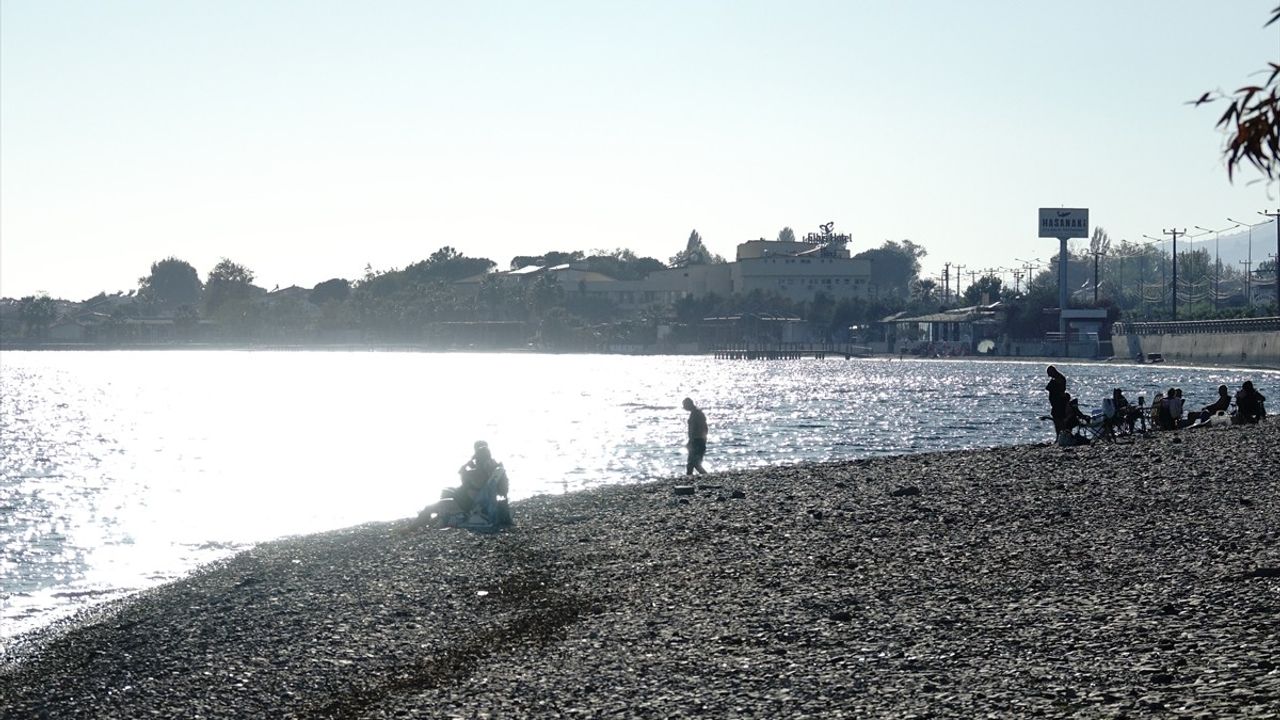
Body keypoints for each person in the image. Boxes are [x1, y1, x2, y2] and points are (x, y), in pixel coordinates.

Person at [682, 397, 708, 475]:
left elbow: (695, 429)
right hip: (699, 440)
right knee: (694, 463)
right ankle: (702, 476)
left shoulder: (695, 414)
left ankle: (704, 476)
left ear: (689, 404)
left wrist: (691, 441)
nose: (684, 407)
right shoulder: (697, 413)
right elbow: (705, 428)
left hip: (697, 441)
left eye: (684, 405)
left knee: (693, 463)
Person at [1045, 366, 1068, 434]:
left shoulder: (1059, 379)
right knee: (1057, 419)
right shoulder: (1055, 379)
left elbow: (1060, 390)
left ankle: (1062, 434)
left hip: (1059, 403)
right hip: (1055, 403)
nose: (1049, 375)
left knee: (1059, 420)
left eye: (1049, 373)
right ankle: (1059, 435)